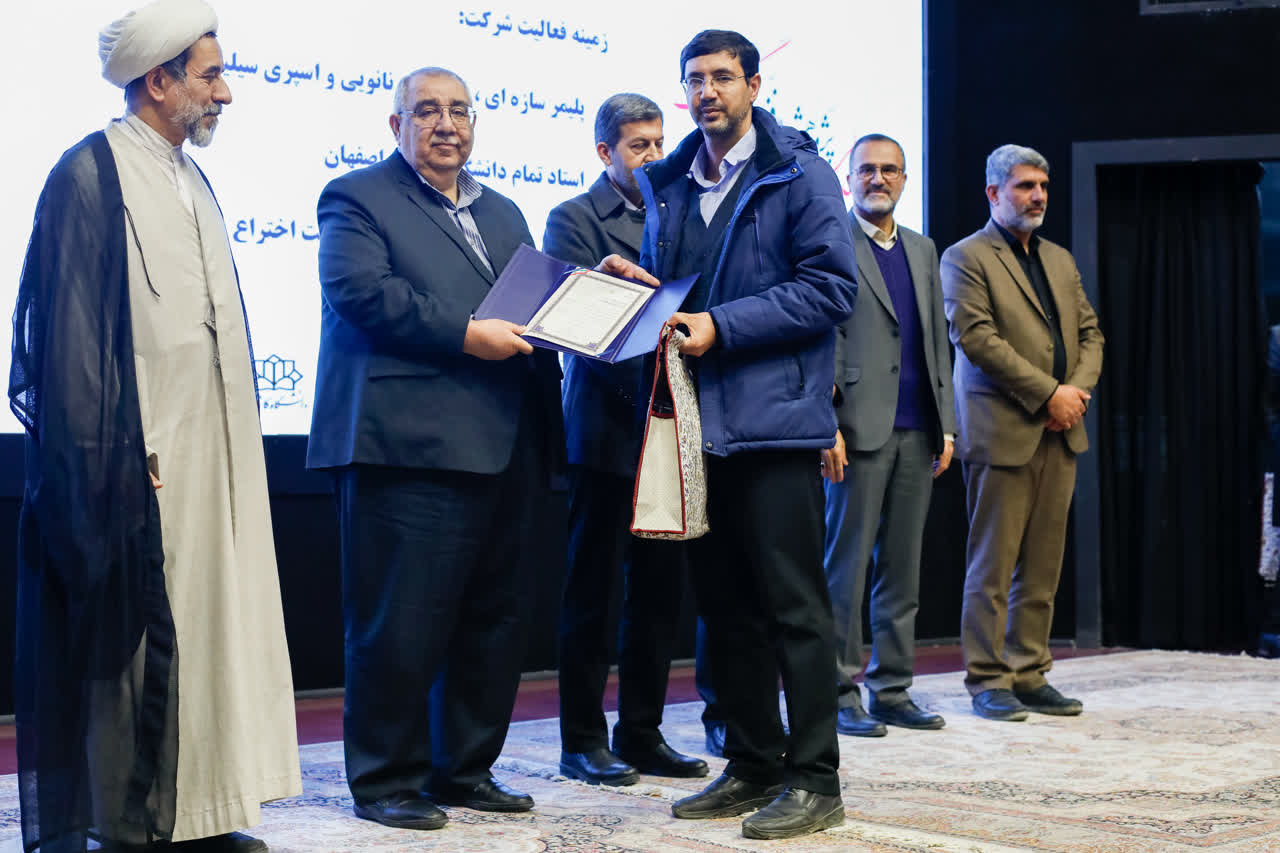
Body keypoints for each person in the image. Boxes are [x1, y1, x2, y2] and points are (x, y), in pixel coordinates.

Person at [307, 66, 651, 831]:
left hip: (508, 442)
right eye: (427, 110)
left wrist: (595, 286)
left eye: (459, 110)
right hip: (405, 446)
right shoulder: (356, 196)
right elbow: (362, 293)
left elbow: (532, 307)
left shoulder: (502, 210)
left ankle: (463, 768)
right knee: (399, 622)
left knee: (492, 619)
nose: (446, 124)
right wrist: (467, 334)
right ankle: (386, 780)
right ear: (395, 125)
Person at [8, 1, 302, 850]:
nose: (226, 93)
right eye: (211, 76)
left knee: (213, 632)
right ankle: (130, 821)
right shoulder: (89, 175)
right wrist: (108, 458)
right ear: (158, 81)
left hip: (213, 460)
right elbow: (65, 342)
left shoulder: (188, 177)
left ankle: (200, 812)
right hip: (141, 467)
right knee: (137, 650)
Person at [635, 29, 857, 841]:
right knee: (726, 610)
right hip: (697, 428)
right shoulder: (669, 183)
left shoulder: (800, 173)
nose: (707, 92)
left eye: (722, 77)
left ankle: (816, 779)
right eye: (694, 79)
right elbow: (681, 298)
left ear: (755, 86)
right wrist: (643, 295)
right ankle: (754, 762)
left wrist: (720, 325)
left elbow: (830, 288)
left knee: (794, 608)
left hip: (775, 427)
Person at [546, 93, 713, 786]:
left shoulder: (678, 213)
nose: (653, 156)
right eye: (638, 145)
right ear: (604, 152)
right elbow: (575, 324)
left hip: (671, 428)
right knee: (592, 593)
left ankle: (642, 733)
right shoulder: (573, 218)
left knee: (659, 593)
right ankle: (582, 741)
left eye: (659, 142)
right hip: (606, 427)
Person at [941, 144, 1104, 722]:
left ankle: (1030, 672)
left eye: (1043, 186)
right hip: (1002, 428)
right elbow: (977, 340)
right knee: (992, 566)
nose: (1037, 196)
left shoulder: (1058, 258)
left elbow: (1091, 334)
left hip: (1061, 429)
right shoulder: (965, 257)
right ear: (993, 193)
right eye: (1024, 186)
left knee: (1043, 565)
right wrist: (1050, 394)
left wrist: (1074, 394)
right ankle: (989, 679)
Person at [820, 134, 954, 737]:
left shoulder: (923, 248)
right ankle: (837, 691)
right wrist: (825, 423)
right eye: (867, 170)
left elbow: (935, 340)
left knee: (902, 571)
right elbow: (824, 334)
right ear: (849, 179)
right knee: (844, 571)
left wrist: (946, 423)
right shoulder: (830, 243)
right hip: (856, 429)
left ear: (905, 179)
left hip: (918, 429)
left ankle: (892, 689)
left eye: (890, 170)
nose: (879, 179)